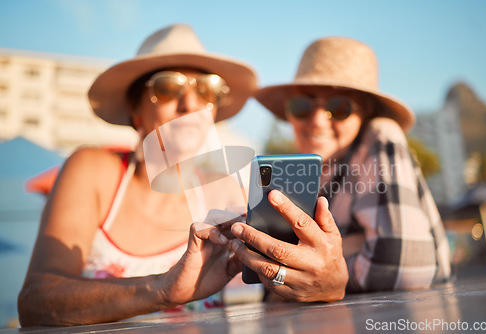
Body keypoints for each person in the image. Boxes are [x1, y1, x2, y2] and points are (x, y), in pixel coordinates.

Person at [18, 24, 257, 326]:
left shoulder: (227, 191)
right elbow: (35, 301)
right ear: (136, 109)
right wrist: (161, 289)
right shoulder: (93, 172)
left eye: (205, 90)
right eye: (168, 87)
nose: (190, 104)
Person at [229, 36, 451, 300]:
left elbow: (405, 268)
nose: (317, 121)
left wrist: (329, 266)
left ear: (365, 113)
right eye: (301, 106)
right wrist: (345, 250)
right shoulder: (319, 176)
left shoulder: (381, 135)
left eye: (340, 107)